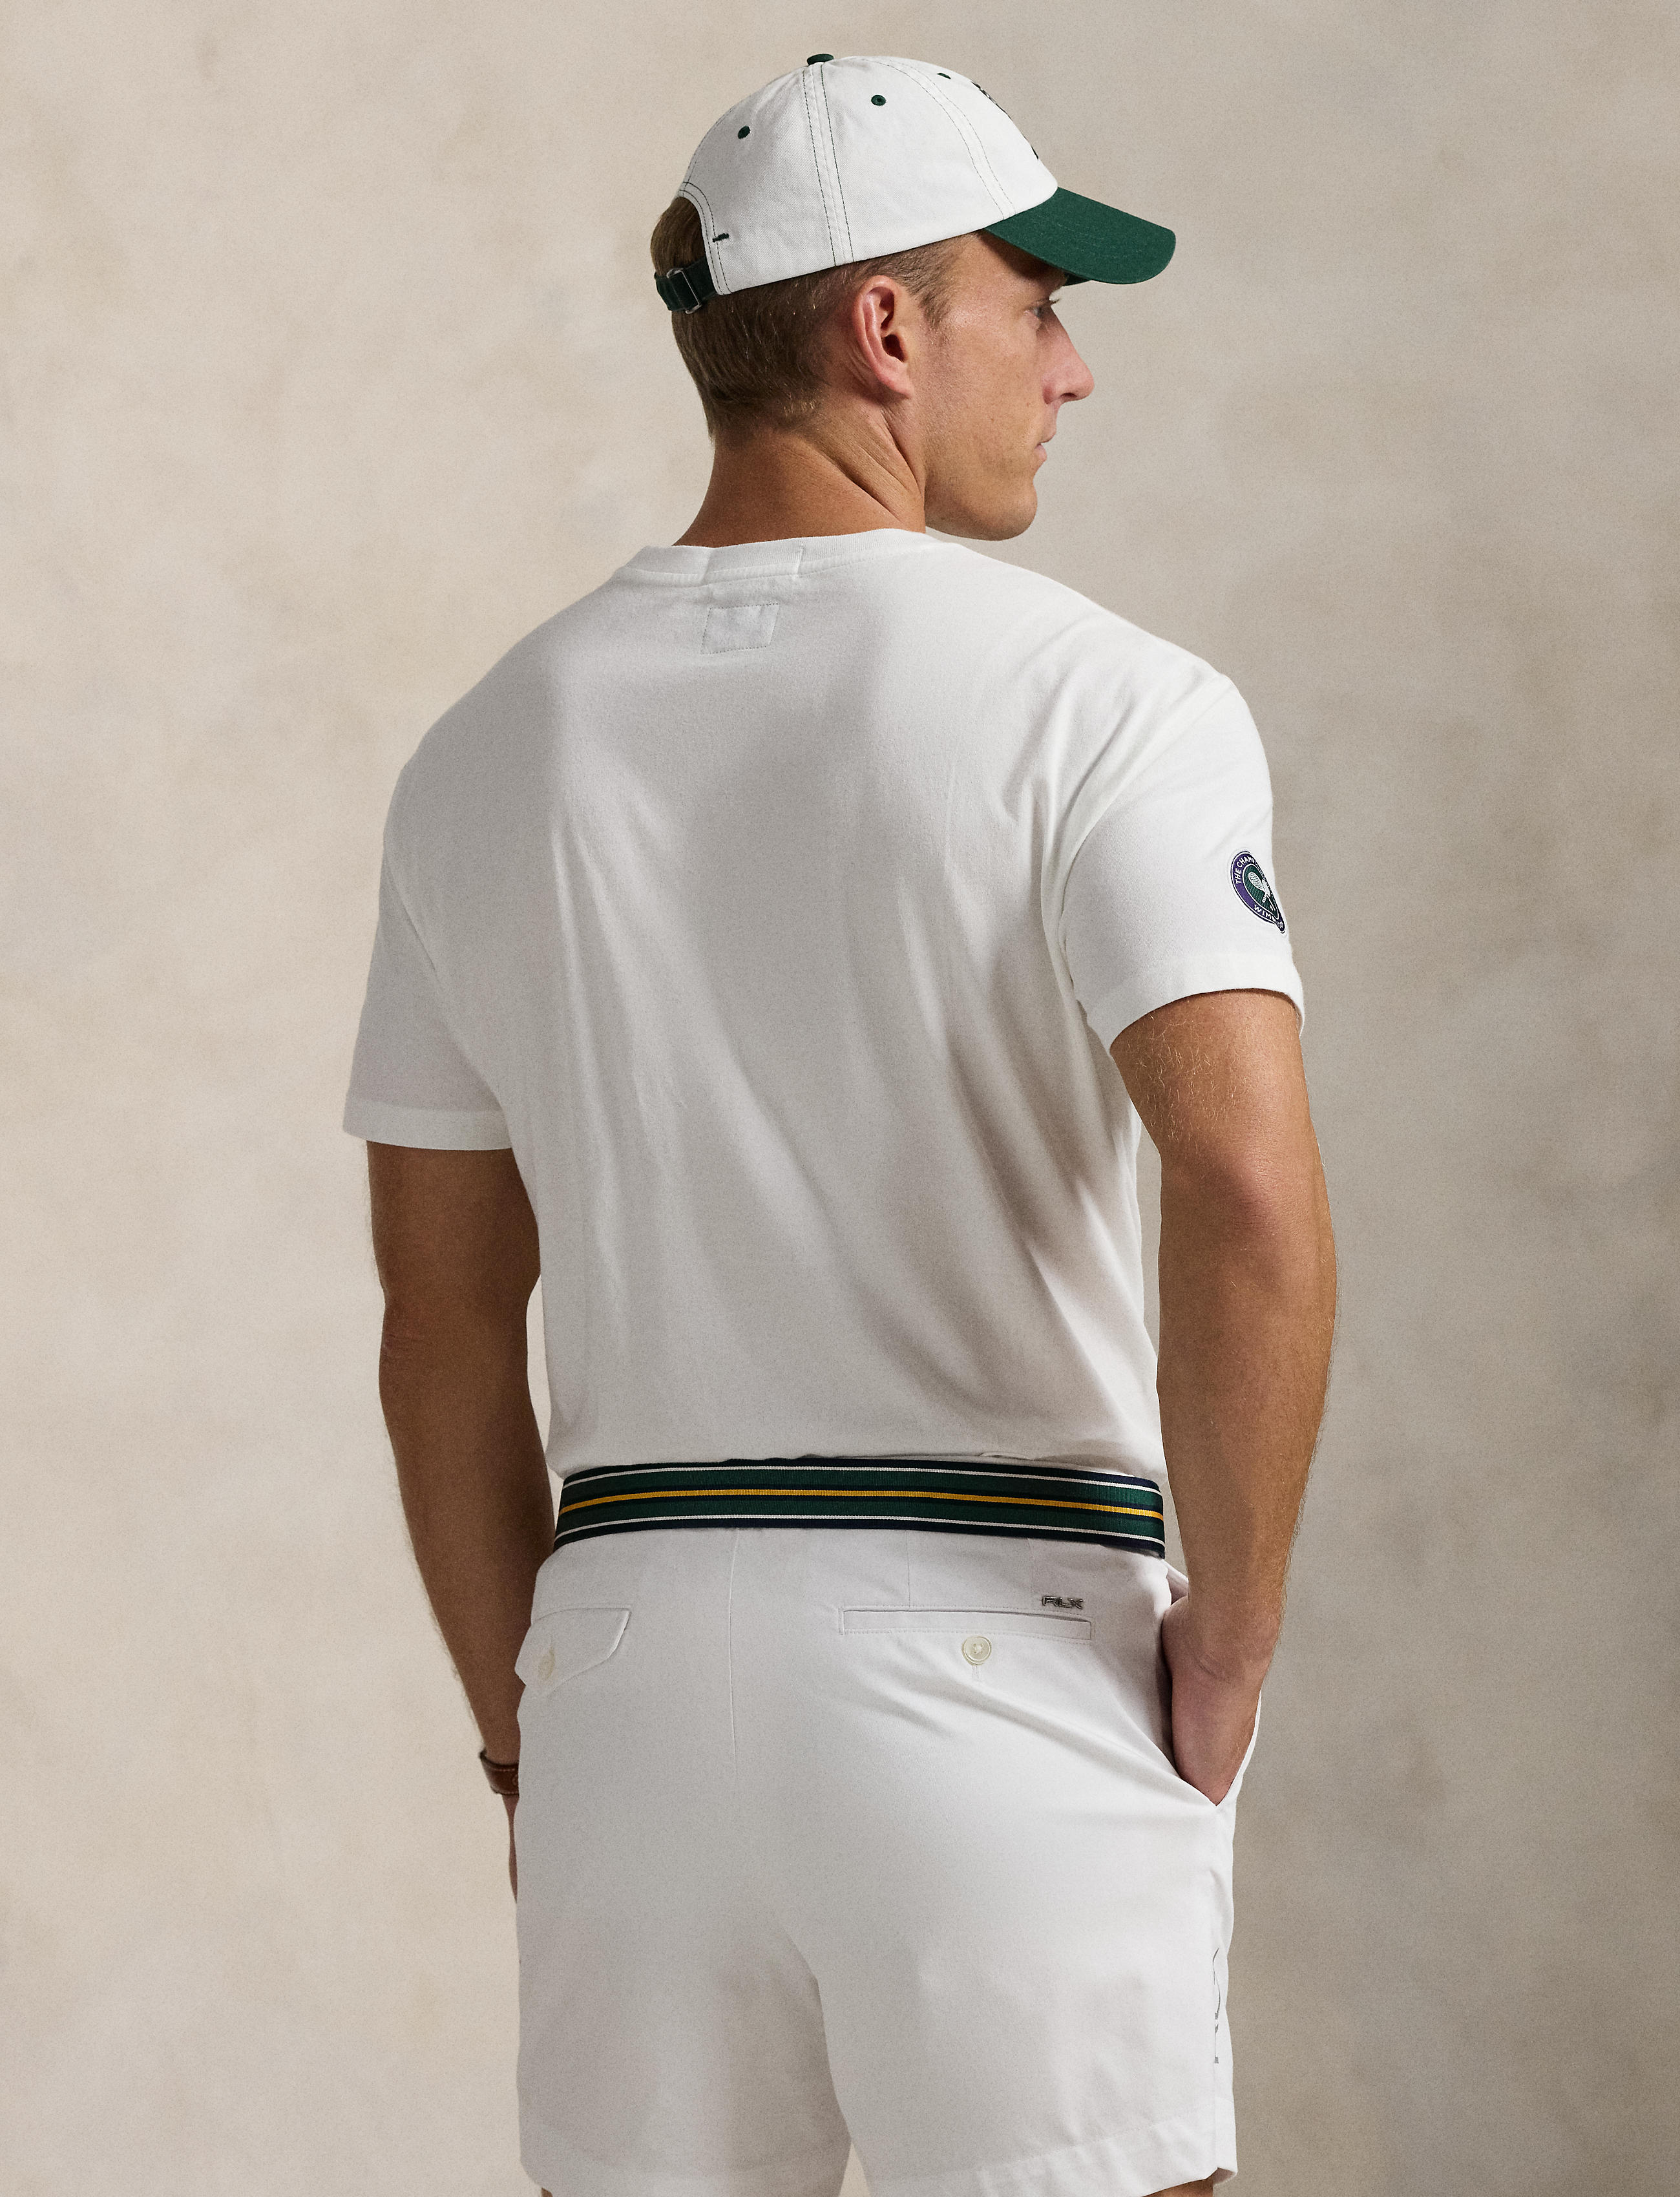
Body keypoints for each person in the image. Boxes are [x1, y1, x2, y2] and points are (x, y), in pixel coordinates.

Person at [344, 54, 1336, 2197]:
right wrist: (1235, 1649)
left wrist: (533, 1739)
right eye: (1035, 303)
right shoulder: (1112, 703)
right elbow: (1246, 1186)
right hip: (1009, 1639)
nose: (1071, 369)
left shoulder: (483, 752)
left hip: (629, 1667)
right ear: (888, 326)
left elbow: (442, 1327)